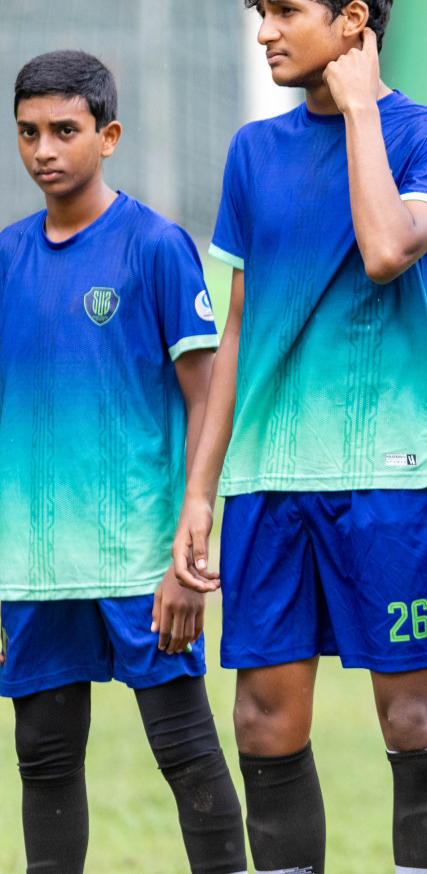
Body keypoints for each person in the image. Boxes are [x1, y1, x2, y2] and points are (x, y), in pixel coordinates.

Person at [172, 0, 427, 874]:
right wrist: (200, 490)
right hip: (268, 480)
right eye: (261, 14)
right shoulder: (252, 153)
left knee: (412, 714)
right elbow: (233, 335)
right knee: (264, 721)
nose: (265, 34)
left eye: (287, 14)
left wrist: (357, 115)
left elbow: (389, 250)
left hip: (390, 479)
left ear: (352, 24)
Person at [0, 50, 244, 874]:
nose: (44, 150)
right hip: (33, 566)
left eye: (65, 131)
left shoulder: (156, 246)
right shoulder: (5, 260)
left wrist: (189, 546)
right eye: (28, 132)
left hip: (141, 559)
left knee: (185, 753)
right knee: (43, 758)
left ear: (107, 136)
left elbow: (208, 401)